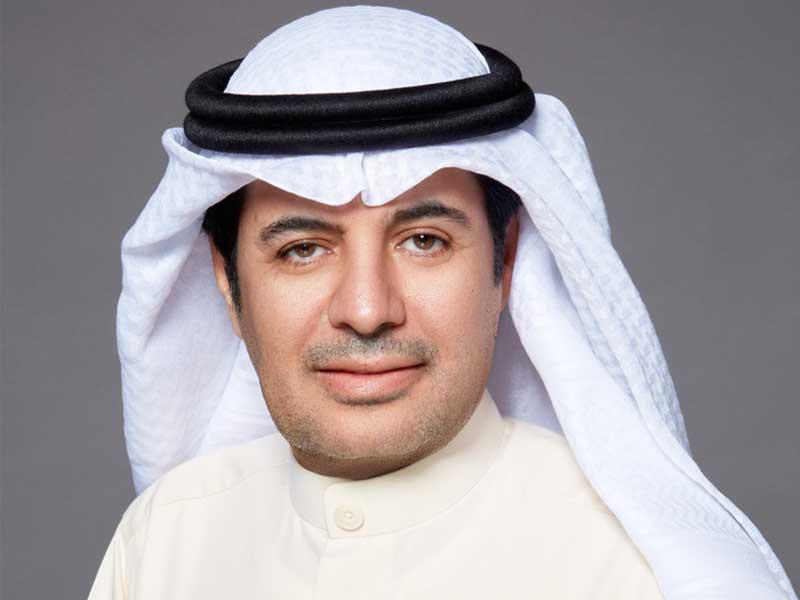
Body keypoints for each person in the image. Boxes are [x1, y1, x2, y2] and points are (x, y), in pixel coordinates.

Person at [87, 5, 796, 600]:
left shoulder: (639, 572)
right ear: (226, 280)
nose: (367, 309)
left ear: (504, 261)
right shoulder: (163, 541)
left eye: (423, 241)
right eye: (302, 249)